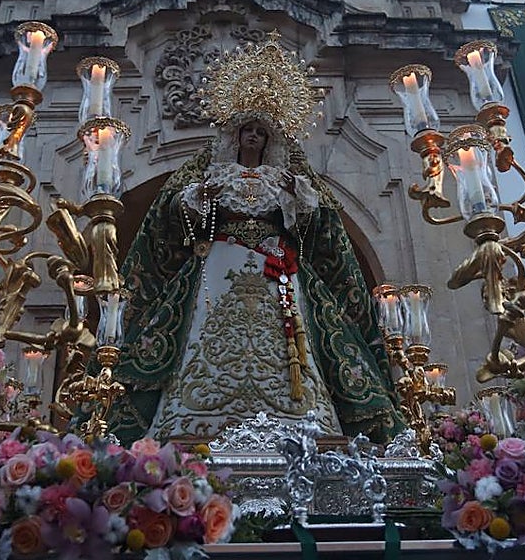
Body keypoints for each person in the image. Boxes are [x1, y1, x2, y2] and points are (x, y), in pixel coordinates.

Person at [105, 36, 403, 444]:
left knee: (293, 337)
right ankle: (193, 420)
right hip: (218, 263)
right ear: (234, 133)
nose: (252, 137)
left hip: (275, 268)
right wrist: (200, 201)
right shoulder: (211, 172)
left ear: (270, 139)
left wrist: (297, 199)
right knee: (201, 328)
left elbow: (316, 225)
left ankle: (300, 417)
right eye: (246, 129)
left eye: (260, 132)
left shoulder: (286, 176)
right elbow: (174, 218)